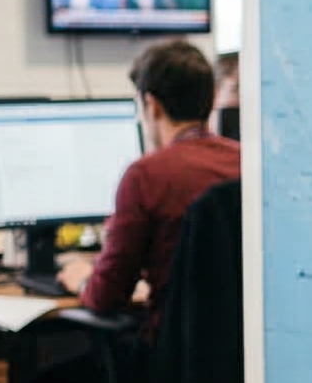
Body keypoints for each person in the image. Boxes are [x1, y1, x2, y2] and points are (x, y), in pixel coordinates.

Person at [63, 39, 239, 338]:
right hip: (239, 354)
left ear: (151, 105)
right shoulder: (245, 160)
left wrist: (81, 279)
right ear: (211, 97)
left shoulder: (146, 176)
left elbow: (107, 295)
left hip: (169, 354)